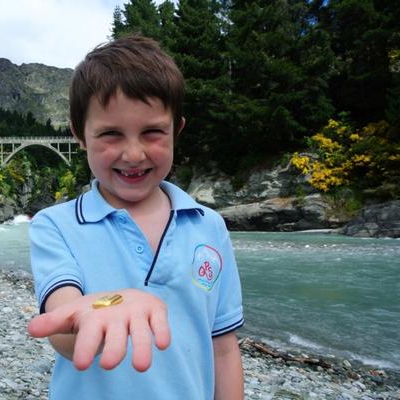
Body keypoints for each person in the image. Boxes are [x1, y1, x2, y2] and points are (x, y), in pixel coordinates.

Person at [27, 35, 244, 400]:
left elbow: (222, 346)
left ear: (177, 130)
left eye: (152, 132)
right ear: (79, 134)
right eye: (111, 134)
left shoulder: (210, 226)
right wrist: (104, 308)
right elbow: (63, 331)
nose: (133, 153)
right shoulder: (55, 226)